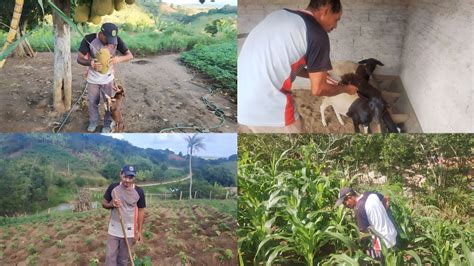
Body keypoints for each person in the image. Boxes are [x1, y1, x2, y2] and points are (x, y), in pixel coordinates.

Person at [238, 0, 358, 133]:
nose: (336, 26)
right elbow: (318, 90)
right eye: (337, 19)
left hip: (242, 103)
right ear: (326, 10)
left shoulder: (279, 15)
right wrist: (346, 89)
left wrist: (311, 75)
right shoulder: (317, 34)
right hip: (270, 107)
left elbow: (284, 63)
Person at [77, 23, 133, 133]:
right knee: (93, 102)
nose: (110, 42)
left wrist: (119, 59)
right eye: (107, 38)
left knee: (109, 104)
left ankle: (107, 124)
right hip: (93, 79)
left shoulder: (116, 40)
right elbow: (79, 58)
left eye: (112, 39)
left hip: (108, 79)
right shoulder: (89, 39)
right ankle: (93, 121)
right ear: (101, 33)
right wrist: (90, 62)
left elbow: (129, 55)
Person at [335, 187, 397, 259]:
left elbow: (364, 234)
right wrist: (382, 212)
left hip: (382, 245)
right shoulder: (370, 194)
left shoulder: (359, 208)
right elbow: (386, 198)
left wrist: (354, 245)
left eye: (344, 202)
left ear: (350, 197)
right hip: (392, 235)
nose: (345, 206)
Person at [102, 165, 145, 266]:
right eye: (125, 176)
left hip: (129, 231)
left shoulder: (139, 192)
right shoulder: (113, 188)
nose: (128, 180)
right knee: (110, 257)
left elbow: (141, 211)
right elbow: (104, 203)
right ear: (120, 174)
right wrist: (111, 204)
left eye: (131, 178)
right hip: (114, 228)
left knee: (123, 259)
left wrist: (139, 231)